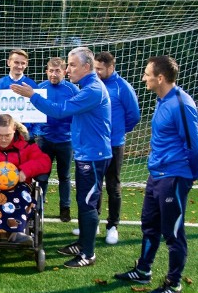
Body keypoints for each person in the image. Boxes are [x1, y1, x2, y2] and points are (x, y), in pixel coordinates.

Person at [11, 47, 111, 268]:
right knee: (83, 201)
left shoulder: (92, 89)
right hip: (87, 153)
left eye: (72, 65)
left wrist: (32, 96)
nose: (68, 70)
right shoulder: (86, 87)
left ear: (87, 67)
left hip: (94, 156)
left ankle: (88, 253)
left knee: (87, 204)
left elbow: (59, 110)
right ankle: (83, 243)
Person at [113, 55, 198, 293]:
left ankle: (173, 283)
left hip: (174, 177)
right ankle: (143, 269)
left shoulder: (181, 104)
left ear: (160, 78)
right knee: (149, 224)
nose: (144, 78)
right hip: (156, 175)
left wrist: (192, 175)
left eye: (147, 74)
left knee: (172, 233)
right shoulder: (162, 101)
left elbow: (194, 146)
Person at [80, 51, 140, 245]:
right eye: (94, 68)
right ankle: (93, 222)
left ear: (111, 67)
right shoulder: (91, 85)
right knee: (94, 184)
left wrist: (118, 131)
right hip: (95, 145)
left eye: (100, 69)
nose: (96, 72)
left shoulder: (123, 87)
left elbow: (134, 116)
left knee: (113, 185)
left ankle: (113, 226)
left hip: (114, 144)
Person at [0, 114, 51, 244]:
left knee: (21, 196)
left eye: (7, 135)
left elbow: (44, 161)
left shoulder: (27, 144)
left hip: (18, 184)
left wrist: (26, 170)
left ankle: (17, 232)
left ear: (15, 130)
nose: (3, 139)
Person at [33, 57, 80, 223]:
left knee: (64, 176)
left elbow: (77, 114)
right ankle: (39, 206)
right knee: (42, 175)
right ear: (46, 71)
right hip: (44, 139)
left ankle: (65, 208)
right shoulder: (39, 89)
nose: (54, 74)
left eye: (57, 71)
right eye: (51, 71)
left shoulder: (73, 90)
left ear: (64, 72)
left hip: (66, 141)